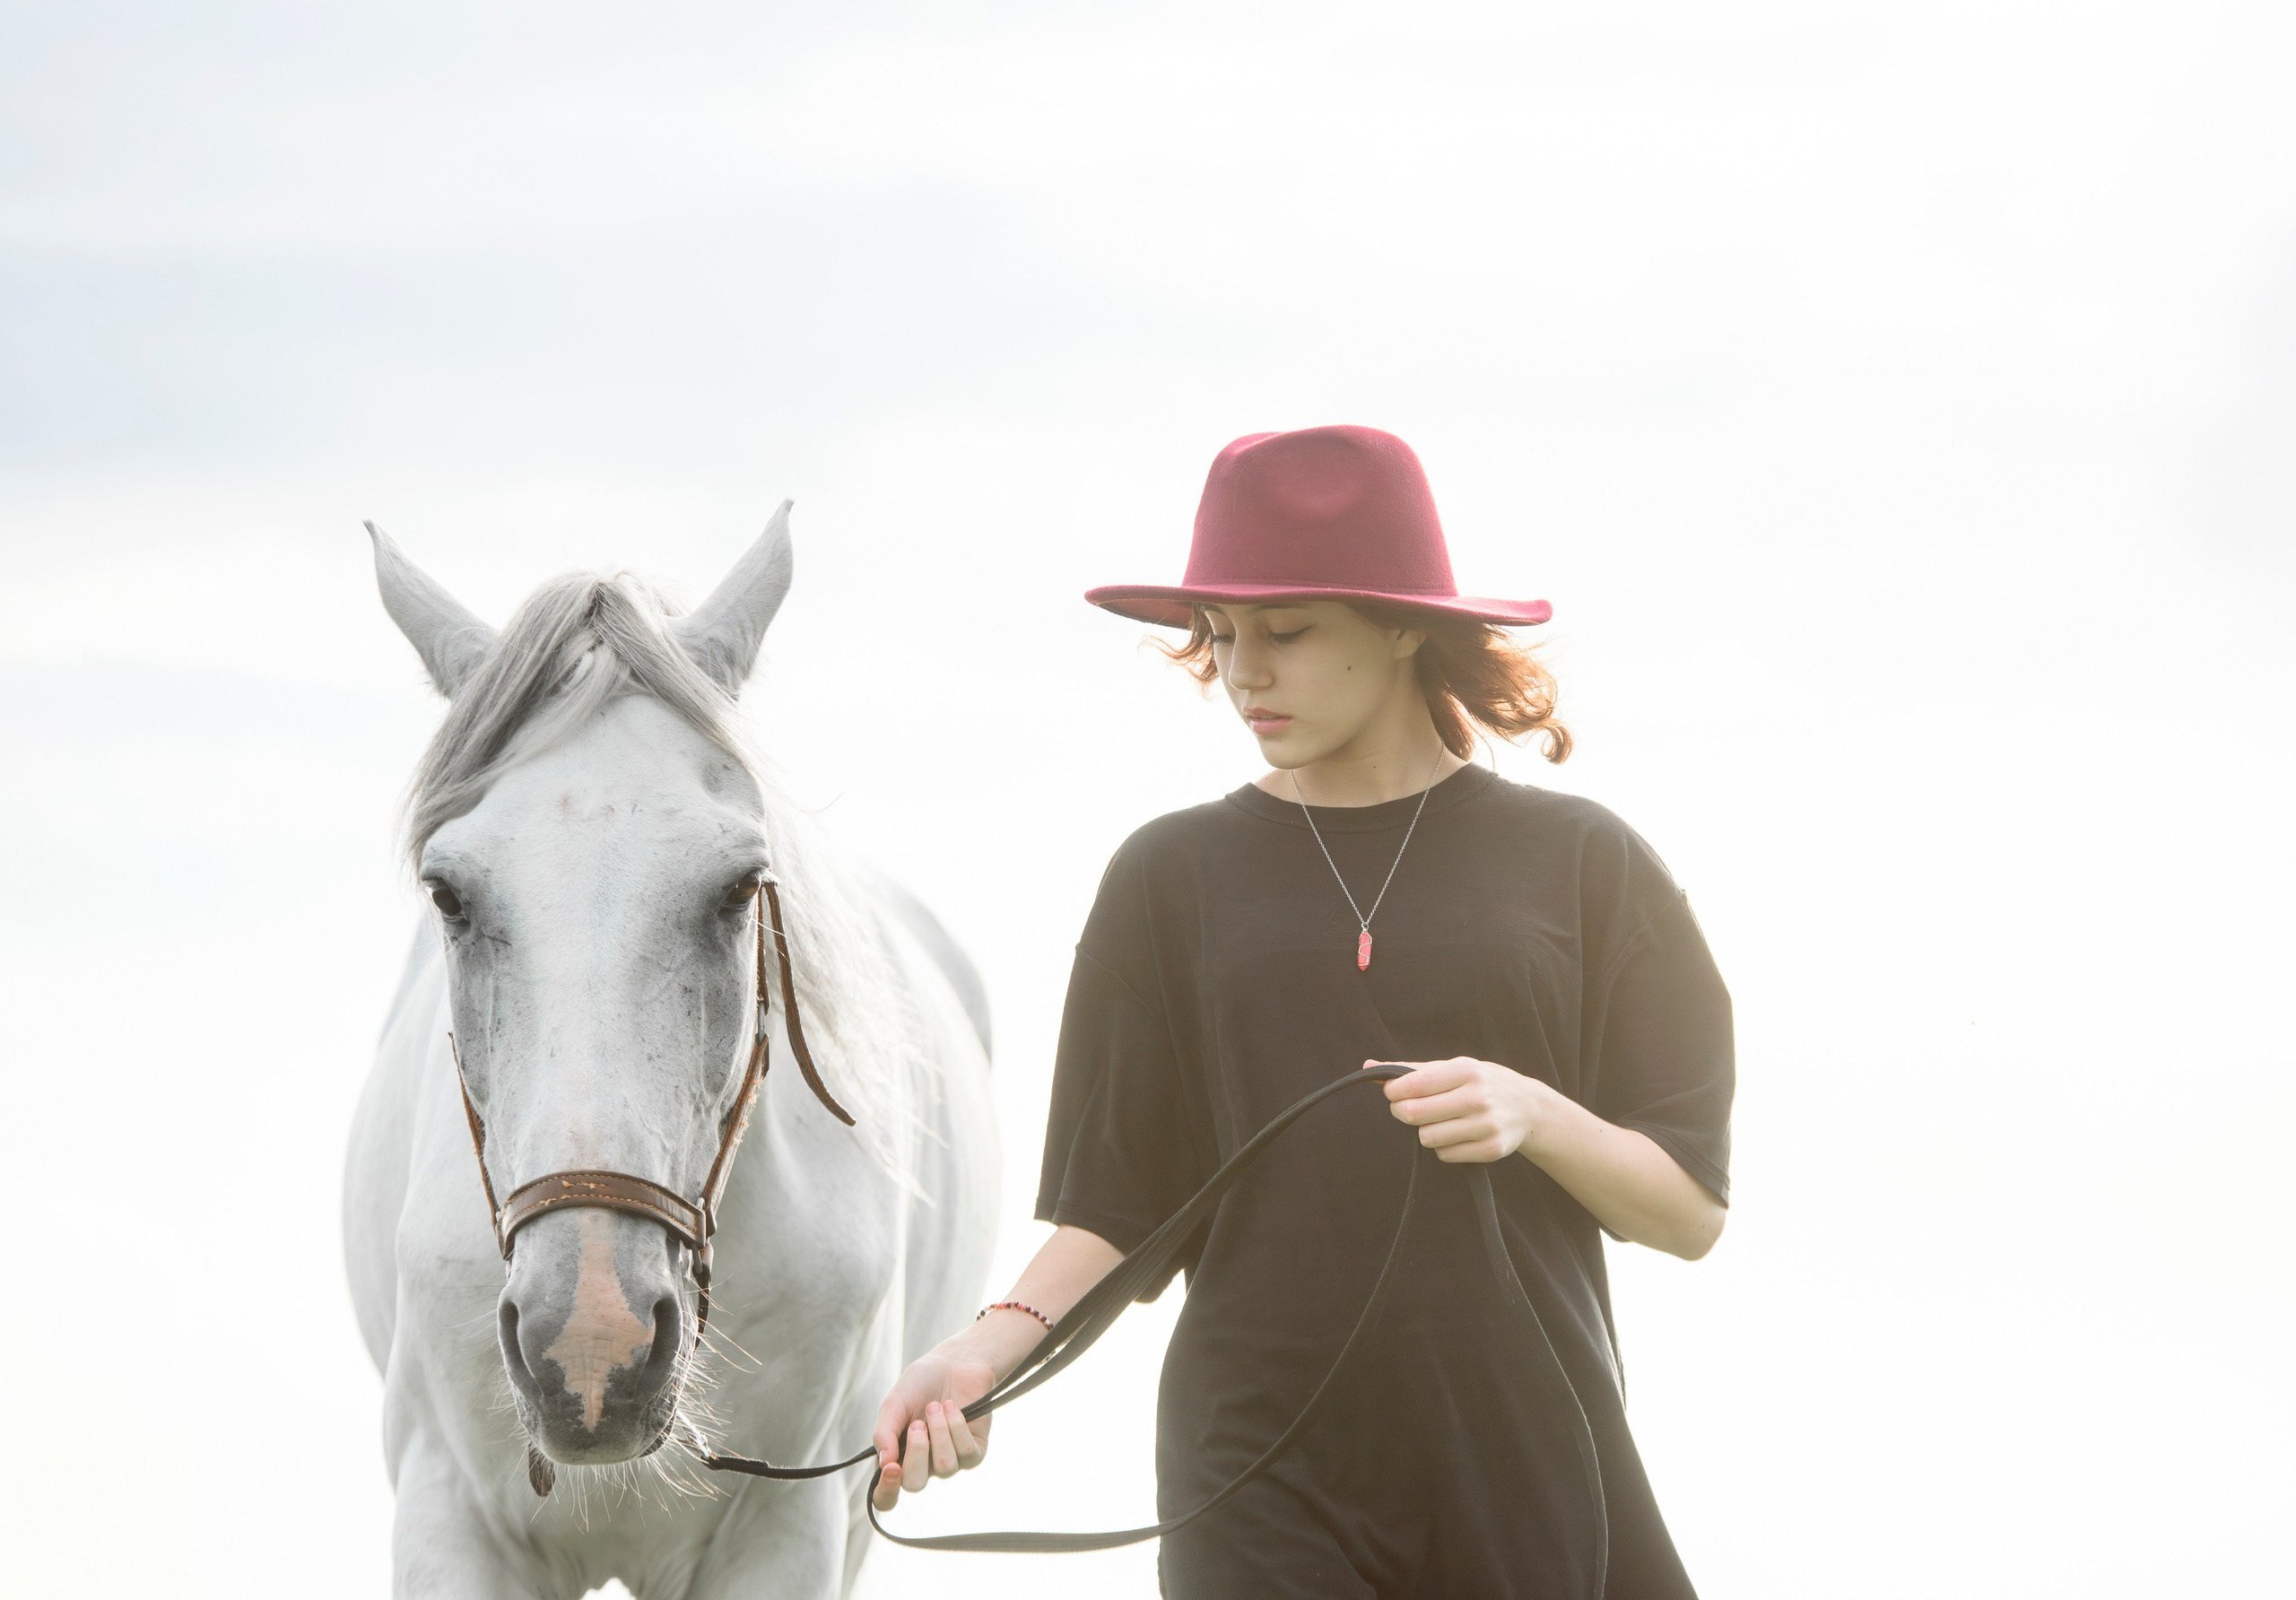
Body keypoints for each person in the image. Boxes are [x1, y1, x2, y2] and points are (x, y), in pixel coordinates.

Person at [872, 424, 1734, 1598]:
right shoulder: (1167, 876)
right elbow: (1117, 1209)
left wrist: (1534, 1112)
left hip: (1523, 1454)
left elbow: (1688, 1213)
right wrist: (981, 1349)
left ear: (1401, 625)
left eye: (1285, 634)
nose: (1244, 673)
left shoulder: (1585, 863)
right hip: (1253, 1467)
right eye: (1221, 637)